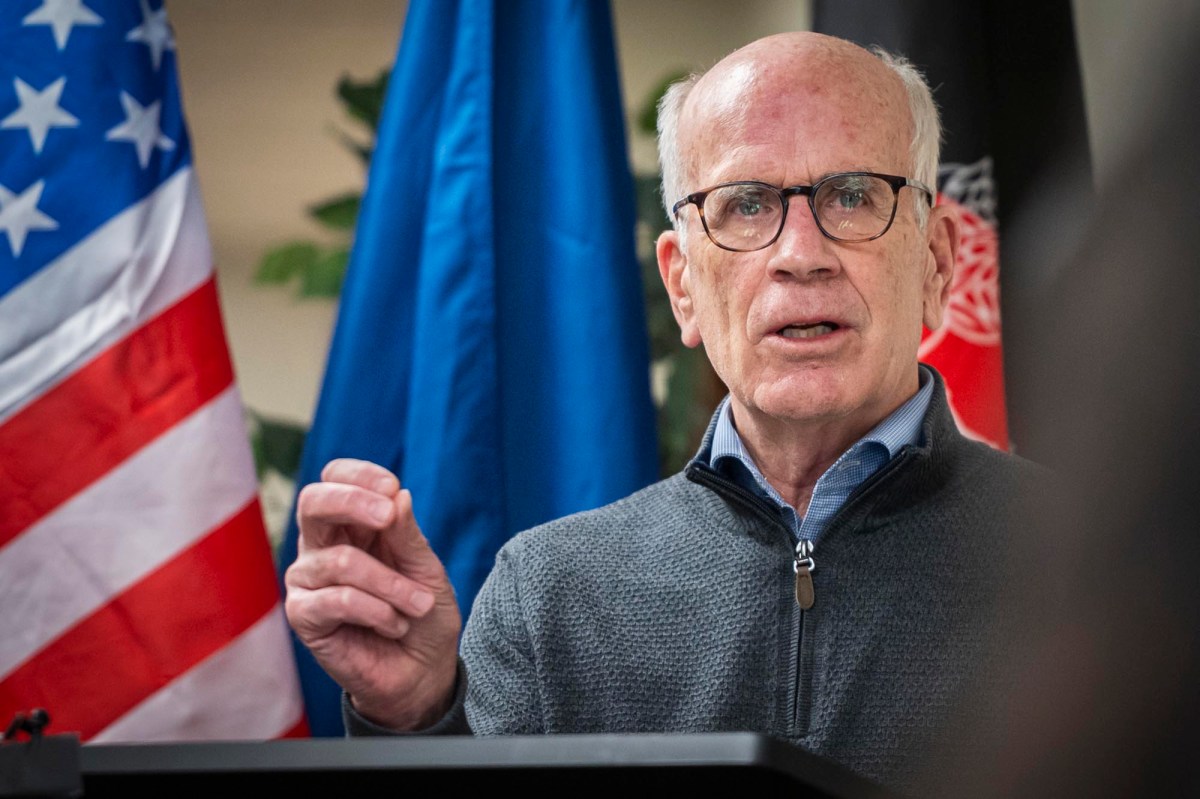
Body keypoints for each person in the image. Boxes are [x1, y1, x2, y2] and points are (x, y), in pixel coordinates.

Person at [284, 31, 1042, 790]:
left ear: (937, 263)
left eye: (852, 196)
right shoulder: (547, 592)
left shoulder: (1085, 561)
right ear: (683, 288)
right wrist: (414, 719)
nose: (801, 255)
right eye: (746, 205)